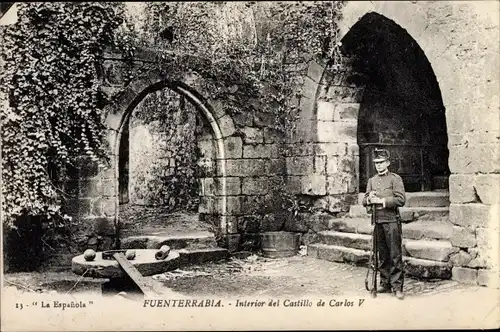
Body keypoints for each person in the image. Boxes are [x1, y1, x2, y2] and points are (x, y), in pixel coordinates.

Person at [362, 148, 406, 300]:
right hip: (378, 221)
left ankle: (397, 286)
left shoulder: (395, 179)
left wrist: (381, 201)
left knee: (395, 255)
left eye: (381, 163)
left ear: (387, 163)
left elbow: (401, 200)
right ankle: (385, 283)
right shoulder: (372, 181)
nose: (379, 166)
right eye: (376, 163)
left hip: (392, 221)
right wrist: (369, 199)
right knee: (382, 255)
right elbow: (364, 200)